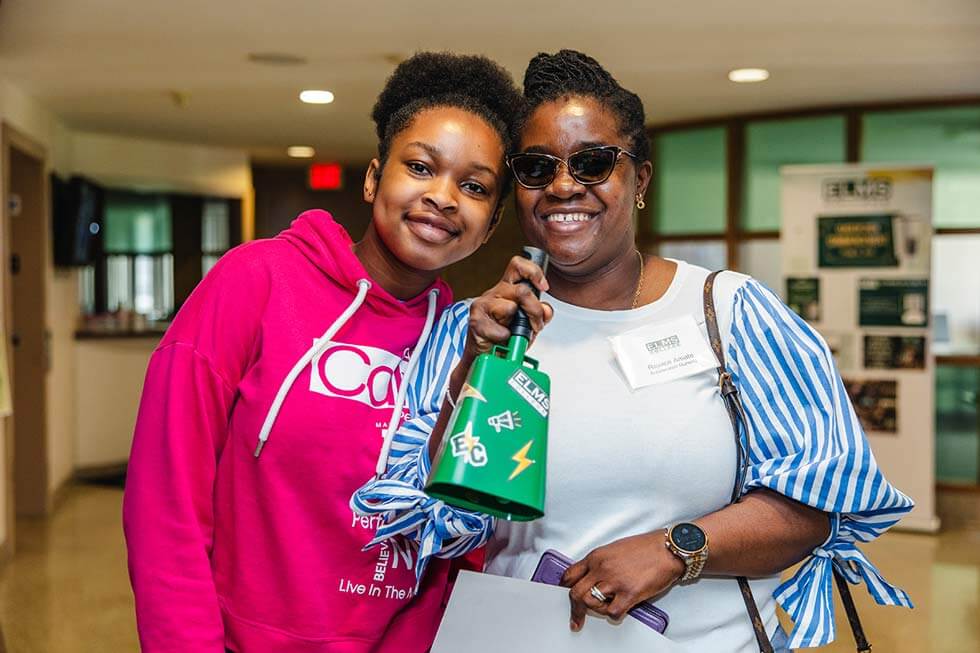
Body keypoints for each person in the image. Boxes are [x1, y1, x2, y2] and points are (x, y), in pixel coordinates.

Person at [353, 50, 913, 652]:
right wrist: (472, 369)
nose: (564, 185)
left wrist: (677, 550)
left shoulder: (729, 311)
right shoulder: (475, 327)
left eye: (593, 162)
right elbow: (432, 524)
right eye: (537, 168)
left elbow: (815, 504)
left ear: (639, 179)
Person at [122, 52, 523, 653]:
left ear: (489, 226)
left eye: (473, 186)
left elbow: (454, 543)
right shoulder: (255, 281)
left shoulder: (466, 340)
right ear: (372, 178)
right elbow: (166, 501)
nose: (442, 197)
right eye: (419, 166)